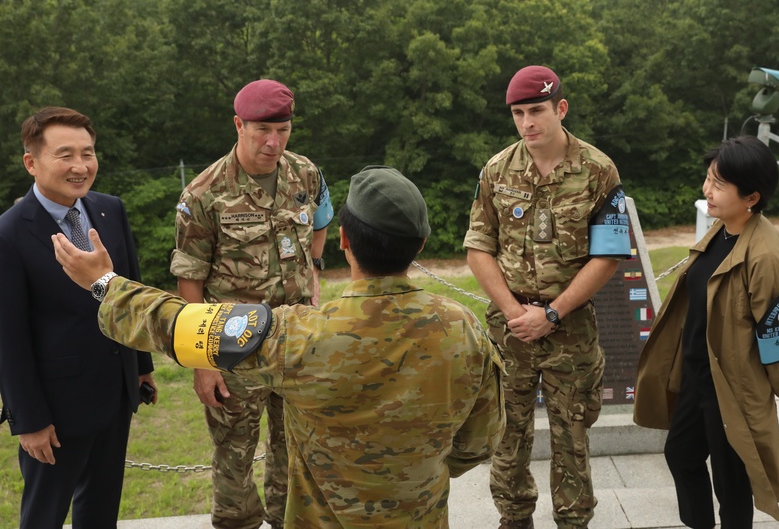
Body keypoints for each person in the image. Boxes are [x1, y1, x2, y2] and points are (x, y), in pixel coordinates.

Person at [53, 165, 506, 529]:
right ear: (421, 245)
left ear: (344, 240)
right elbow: (478, 442)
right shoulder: (464, 329)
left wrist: (104, 283)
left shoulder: (300, 337)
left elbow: (181, 324)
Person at [465, 65, 632, 529]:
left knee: (571, 435)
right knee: (507, 433)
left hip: (571, 330)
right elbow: (479, 246)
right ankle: (513, 519)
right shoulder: (497, 171)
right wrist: (514, 311)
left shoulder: (598, 170)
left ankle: (573, 521)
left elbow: (609, 256)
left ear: (560, 108)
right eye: (518, 114)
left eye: (536, 110)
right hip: (510, 327)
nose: (527, 123)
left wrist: (553, 313)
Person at [170, 79, 334, 529]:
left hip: (297, 342)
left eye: (282, 130)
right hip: (234, 349)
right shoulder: (204, 193)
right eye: (262, 129)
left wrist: (314, 267)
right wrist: (203, 364)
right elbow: (190, 279)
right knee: (234, 455)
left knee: (296, 449)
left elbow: (320, 219)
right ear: (238, 125)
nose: (272, 141)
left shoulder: (305, 173)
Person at [633, 136, 779, 528]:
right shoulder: (722, 230)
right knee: (681, 455)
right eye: (709, 179)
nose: (707, 191)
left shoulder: (764, 254)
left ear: (752, 197)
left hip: (732, 387)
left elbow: (777, 333)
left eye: (719, 184)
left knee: (732, 485)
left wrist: (762, 392)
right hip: (699, 376)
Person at [0, 106, 156, 528]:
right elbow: (7, 337)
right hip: (55, 407)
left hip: (116, 391)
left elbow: (130, 289)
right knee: (45, 513)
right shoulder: (10, 233)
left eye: (87, 153)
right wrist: (29, 419)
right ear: (31, 162)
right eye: (65, 154)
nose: (80, 166)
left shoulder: (110, 210)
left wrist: (141, 367)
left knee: (101, 508)